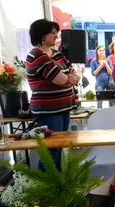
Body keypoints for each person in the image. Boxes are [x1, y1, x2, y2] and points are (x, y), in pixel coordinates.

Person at [25, 19, 77, 169]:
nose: (56, 36)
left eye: (56, 33)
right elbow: (61, 80)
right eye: (53, 33)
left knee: (59, 148)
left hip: (63, 107)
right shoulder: (37, 56)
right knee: (51, 152)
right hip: (49, 110)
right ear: (41, 35)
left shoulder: (56, 54)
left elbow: (74, 73)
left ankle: (58, 187)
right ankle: (45, 188)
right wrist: (69, 78)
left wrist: (70, 78)